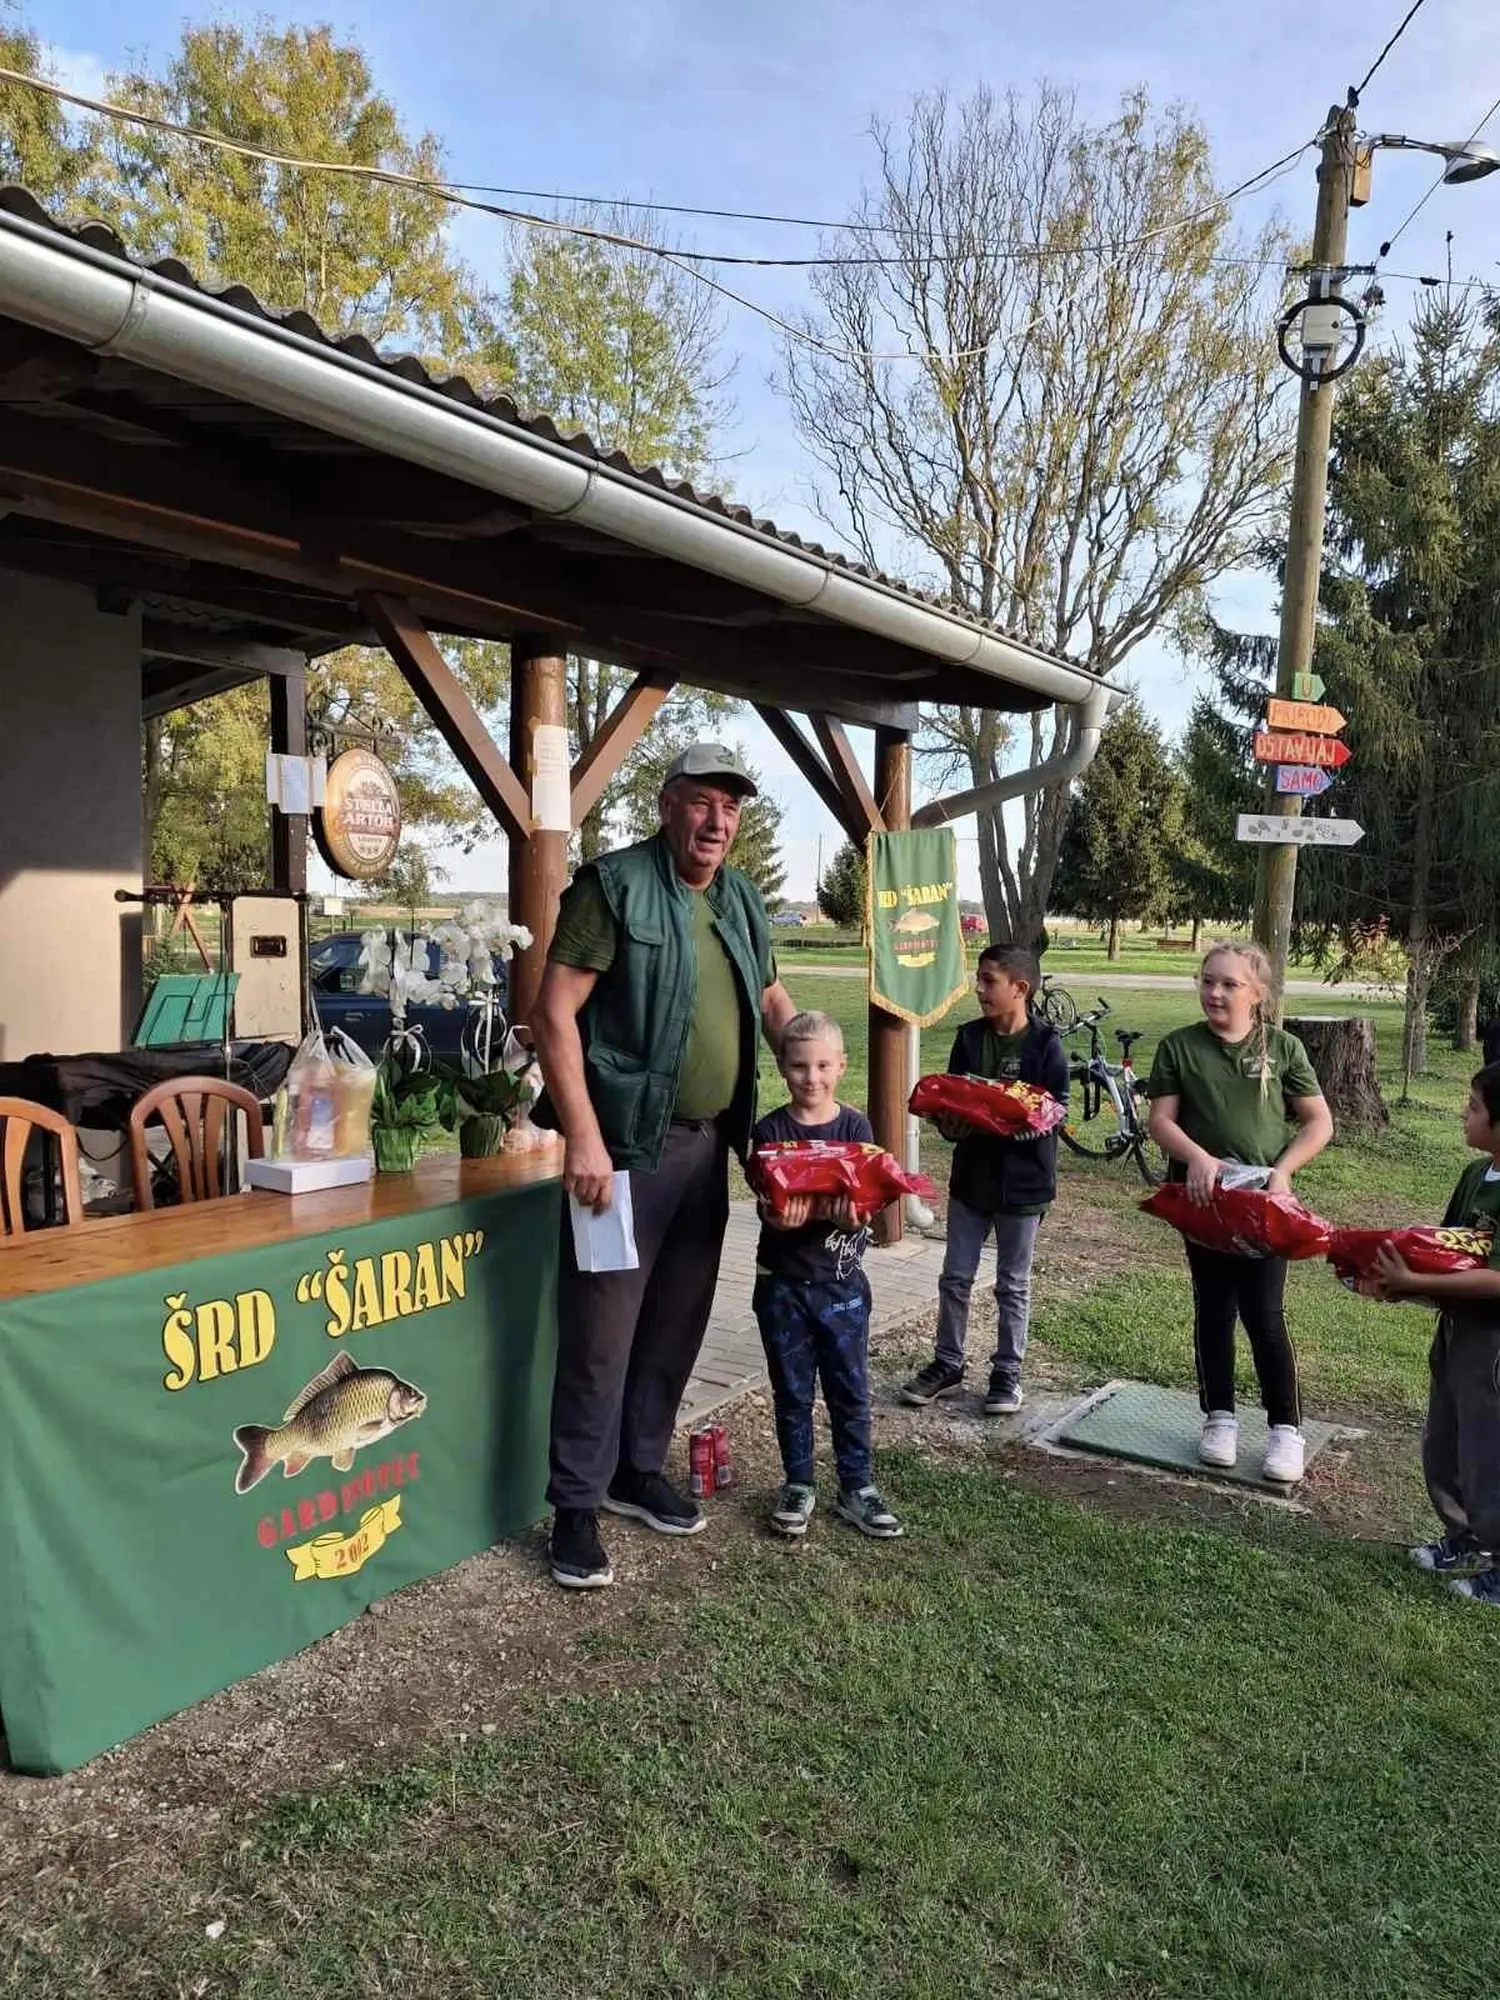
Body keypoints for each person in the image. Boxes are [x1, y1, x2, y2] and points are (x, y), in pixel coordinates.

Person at [532, 744, 797, 1589]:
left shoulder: (740, 899)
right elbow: (554, 1012)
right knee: (601, 1334)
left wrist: (807, 1059)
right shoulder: (613, 886)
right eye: (703, 803)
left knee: (677, 1320)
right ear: (668, 804)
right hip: (623, 1152)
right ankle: (575, 1508)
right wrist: (582, 1135)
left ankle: (636, 1469)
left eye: (732, 807)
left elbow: (769, 997)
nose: (718, 821)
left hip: (710, 1145)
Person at [1145, 941, 1333, 1485]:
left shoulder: (1283, 1048)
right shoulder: (1179, 1047)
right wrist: (1198, 1158)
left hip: (1263, 1204)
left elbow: (1318, 1122)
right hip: (1204, 1201)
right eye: (1207, 981)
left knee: (1264, 1314)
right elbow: (1161, 1120)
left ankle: (1285, 1429)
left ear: (1258, 993)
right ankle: (1219, 1419)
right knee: (1213, 1308)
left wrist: (1283, 1172)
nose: (1215, 992)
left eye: (1229, 984)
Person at [899, 944, 1069, 1416]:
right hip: (972, 1182)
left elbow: (1057, 1110)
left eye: (989, 981)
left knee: (1012, 1283)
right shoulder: (969, 1039)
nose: (979, 989)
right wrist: (948, 1124)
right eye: (978, 979)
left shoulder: (1045, 1044)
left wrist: (1020, 1124)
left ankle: (1007, 1373)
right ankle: (947, 1364)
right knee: (955, 1277)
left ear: (1020, 988)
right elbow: (955, 1103)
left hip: (1024, 1187)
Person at [751, 1010, 902, 1541]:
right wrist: (780, 1217)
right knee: (792, 1391)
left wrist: (853, 1216)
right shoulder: (769, 1132)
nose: (810, 1078)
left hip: (842, 1287)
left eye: (821, 1066)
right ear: (781, 1066)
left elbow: (866, 1203)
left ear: (841, 1065)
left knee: (851, 1389)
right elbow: (767, 1205)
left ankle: (857, 1487)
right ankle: (798, 1483)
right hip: (782, 1285)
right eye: (798, 1066)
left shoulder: (856, 1128)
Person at [1372, 1061, 1500, 1603]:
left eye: (1473, 1107)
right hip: (1454, 1331)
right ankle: (1464, 1537)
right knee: (1444, 1439)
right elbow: (1444, 1252)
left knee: (1488, 1450)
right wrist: (1399, 1284)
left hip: (1491, 1345)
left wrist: (1415, 1281)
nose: (1463, 1115)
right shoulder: (1474, 1176)